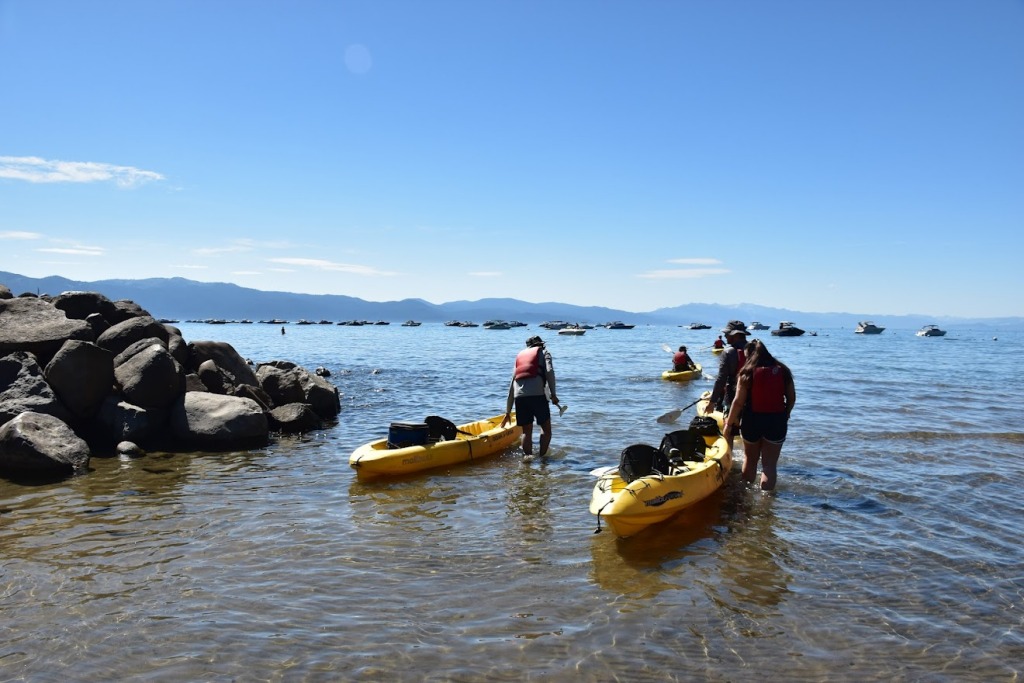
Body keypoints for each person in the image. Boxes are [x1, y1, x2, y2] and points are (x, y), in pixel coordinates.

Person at [723, 339, 796, 490]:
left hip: (752, 420)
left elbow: (737, 402)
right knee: (769, 465)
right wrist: (786, 414)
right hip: (776, 421)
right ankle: (766, 502)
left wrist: (729, 424)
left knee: (750, 460)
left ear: (749, 355)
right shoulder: (783, 370)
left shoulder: (746, 373)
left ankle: (746, 495)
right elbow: (791, 397)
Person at [501, 335, 560, 457]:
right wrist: (553, 394)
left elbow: (512, 383)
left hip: (520, 398)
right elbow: (549, 372)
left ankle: (527, 460)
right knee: (546, 430)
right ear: (540, 344)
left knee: (526, 432)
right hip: (538, 396)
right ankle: (543, 459)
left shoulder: (520, 356)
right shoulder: (544, 352)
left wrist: (507, 411)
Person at [705, 321, 749, 415]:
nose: (725, 336)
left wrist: (712, 402)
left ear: (735, 335)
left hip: (734, 396)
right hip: (752, 397)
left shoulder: (728, 352)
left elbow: (721, 379)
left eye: (727, 334)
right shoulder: (756, 349)